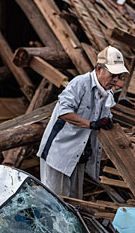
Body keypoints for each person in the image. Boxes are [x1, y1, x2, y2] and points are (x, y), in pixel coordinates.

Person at [37, 46, 129, 198]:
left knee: (74, 203)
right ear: (99, 69)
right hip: (59, 154)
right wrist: (91, 124)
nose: (116, 81)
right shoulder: (80, 83)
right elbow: (63, 112)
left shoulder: (107, 93)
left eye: (119, 76)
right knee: (54, 203)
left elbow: (104, 119)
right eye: (113, 75)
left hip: (79, 156)